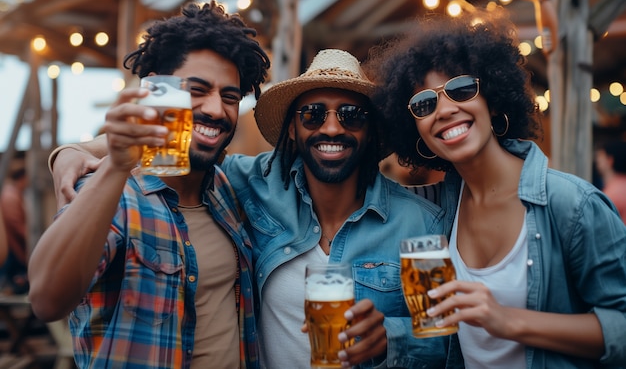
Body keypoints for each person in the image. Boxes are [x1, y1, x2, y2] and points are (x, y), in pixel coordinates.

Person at [48, 49, 462, 368]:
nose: (332, 127)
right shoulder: (255, 183)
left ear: (370, 130)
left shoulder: (418, 222)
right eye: (313, 114)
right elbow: (192, 146)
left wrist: (391, 337)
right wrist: (74, 150)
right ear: (293, 131)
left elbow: (445, 339)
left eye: (351, 115)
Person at [370, 10, 626, 368]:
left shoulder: (571, 204)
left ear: (491, 98)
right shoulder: (438, 212)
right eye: (424, 104)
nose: (444, 110)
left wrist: (506, 320)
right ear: (416, 129)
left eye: (461, 89)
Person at [28, 1, 271, 369]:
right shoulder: (117, 192)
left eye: (230, 97)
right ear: (158, 90)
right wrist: (115, 164)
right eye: (197, 89)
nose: (216, 110)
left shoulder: (228, 188)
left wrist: (76, 148)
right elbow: (47, 300)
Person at [0, 153, 29, 294]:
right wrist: (28, 238)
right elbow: (14, 223)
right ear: (23, 178)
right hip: (12, 246)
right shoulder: (10, 195)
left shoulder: (12, 193)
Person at [594, 140, 626, 222]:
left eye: (600, 156)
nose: (597, 160)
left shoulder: (611, 194)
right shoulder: (621, 186)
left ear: (609, 160)